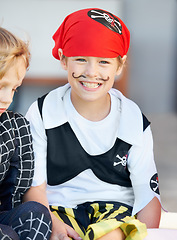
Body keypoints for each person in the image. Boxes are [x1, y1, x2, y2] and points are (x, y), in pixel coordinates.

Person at [25, 8, 161, 240]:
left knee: (113, 235)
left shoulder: (132, 120)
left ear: (119, 66)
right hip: (56, 211)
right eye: (80, 59)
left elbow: (148, 197)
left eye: (103, 62)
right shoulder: (43, 112)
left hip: (115, 214)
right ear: (63, 59)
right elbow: (34, 187)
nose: (91, 72)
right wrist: (51, 223)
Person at [0, 27, 52, 240]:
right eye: (1, 86)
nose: (7, 98)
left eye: (13, 89)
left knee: (36, 215)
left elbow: (15, 193)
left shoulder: (14, 127)